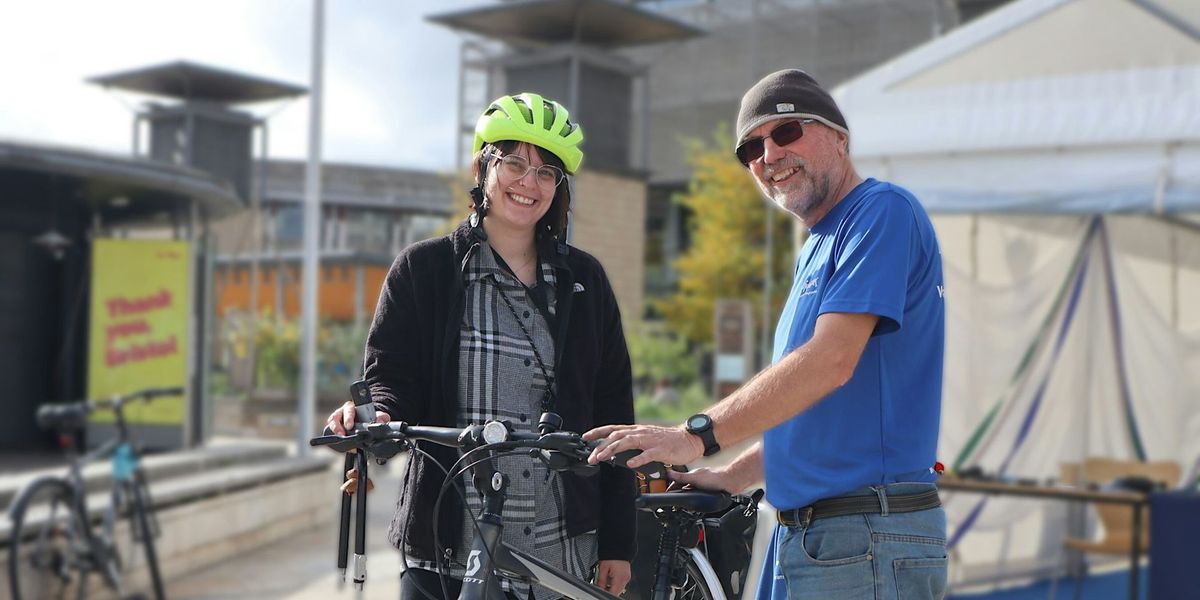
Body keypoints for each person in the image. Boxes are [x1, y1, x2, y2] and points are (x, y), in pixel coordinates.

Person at [586, 69, 948, 599]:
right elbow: (809, 401)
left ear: (840, 138)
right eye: (751, 148)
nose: (768, 155)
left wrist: (694, 437)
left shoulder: (881, 211)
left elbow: (830, 362)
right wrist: (733, 475)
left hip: (864, 533)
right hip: (817, 536)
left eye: (785, 132)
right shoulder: (817, 246)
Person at [327, 92, 636, 600]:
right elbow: (391, 377)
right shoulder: (425, 270)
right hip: (448, 544)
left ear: (558, 189)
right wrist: (376, 414)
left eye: (546, 173)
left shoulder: (585, 282)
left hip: (560, 552)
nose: (527, 183)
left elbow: (614, 411)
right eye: (513, 162)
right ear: (482, 167)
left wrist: (618, 543)